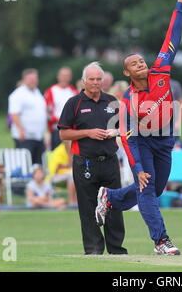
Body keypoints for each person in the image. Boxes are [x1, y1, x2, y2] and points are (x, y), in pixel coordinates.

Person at [94, 0, 182, 255]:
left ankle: (111, 197)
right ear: (127, 72)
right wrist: (137, 166)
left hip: (165, 139)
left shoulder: (161, 70)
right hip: (141, 141)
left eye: (141, 61)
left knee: (155, 188)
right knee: (147, 187)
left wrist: (180, 5)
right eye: (134, 64)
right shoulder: (128, 100)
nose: (141, 64)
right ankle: (161, 241)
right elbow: (126, 137)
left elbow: (172, 38)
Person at [58, 62, 127, 255]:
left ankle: (117, 250)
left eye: (98, 79)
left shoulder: (112, 101)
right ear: (83, 81)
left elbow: (125, 128)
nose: (96, 83)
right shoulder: (74, 103)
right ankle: (94, 250)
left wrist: (116, 132)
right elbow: (64, 134)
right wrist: (88, 133)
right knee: (88, 209)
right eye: (92, 79)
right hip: (85, 163)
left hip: (110, 161)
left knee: (114, 206)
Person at [8, 69, 47, 164]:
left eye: (35, 78)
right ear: (24, 79)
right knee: (25, 165)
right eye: (30, 78)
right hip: (25, 137)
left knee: (38, 165)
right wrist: (20, 130)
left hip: (38, 136)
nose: (33, 80)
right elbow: (14, 113)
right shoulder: (18, 94)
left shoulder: (37, 93)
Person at [44, 67, 78, 150]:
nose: (65, 78)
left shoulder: (73, 91)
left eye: (67, 76)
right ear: (58, 77)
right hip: (57, 129)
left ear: (70, 78)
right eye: (63, 75)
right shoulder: (51, 91)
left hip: (71, 130)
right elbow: (46, 111)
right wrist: (59, 120)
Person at [47, 140, 77, 206]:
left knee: (76, 174)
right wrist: (69, 168)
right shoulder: (59, 151)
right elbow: (56, 169)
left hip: (66, 175)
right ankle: (71, 201)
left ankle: (76, 201)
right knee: (71, 174)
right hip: (54, 176)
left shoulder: (73, 150)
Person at [170, 79, 182, 148]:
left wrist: (179, 121)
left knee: (175, 144)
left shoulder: (175, 84)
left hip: (173, 122)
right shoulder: (152, 84)